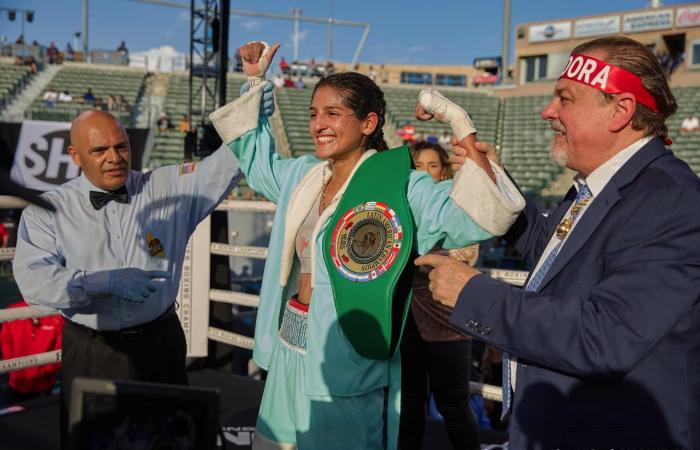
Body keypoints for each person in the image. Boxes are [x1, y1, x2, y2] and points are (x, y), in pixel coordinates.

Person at [209, 40, 524, 450]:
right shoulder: (304, 175)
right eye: (314, 114)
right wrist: (255, 82)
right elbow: (257, 159)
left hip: (349, 360)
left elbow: (474, 217)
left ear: (369, 122)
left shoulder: (401, 186)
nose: (318, 124)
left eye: (333, 113)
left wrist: (457, 121)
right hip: (290, 341)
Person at [417, 36, 700, 448]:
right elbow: (550, 253)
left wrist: (473, 294)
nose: (548, 111)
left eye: (565, 99)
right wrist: (494, 180)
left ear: (621, 110)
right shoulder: (599, 186)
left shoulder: (671, 200)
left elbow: (606, 336)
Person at [12, 109, 245, 444]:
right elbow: (35, 282)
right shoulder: (46, 210)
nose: (114, 158)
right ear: (75, 156)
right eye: (99, 151)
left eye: (121, 146)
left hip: (160, 343)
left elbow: (229, 164)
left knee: (170, 441)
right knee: (91, 442)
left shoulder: (165, 185)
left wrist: (253, 88)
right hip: (93, 350)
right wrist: (102, 282)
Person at [399, 141, 481, 450]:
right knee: (409, 404)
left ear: (443, 170)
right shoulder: (400, 206)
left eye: (431, 165)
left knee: (455, 407)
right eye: (417, 165)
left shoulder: (456, 203)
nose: (423, 172)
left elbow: (465, 253)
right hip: (409, 318)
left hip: (447, 320)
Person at [0, 300, 64, 403]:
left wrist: (43, 370)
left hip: (43, 382)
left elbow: (61, 350)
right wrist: (13, 364)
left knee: (39, 414)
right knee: (16, 414)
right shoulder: (12, 311)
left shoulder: (57, 316)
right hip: (17, 380)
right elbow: (5, 341)